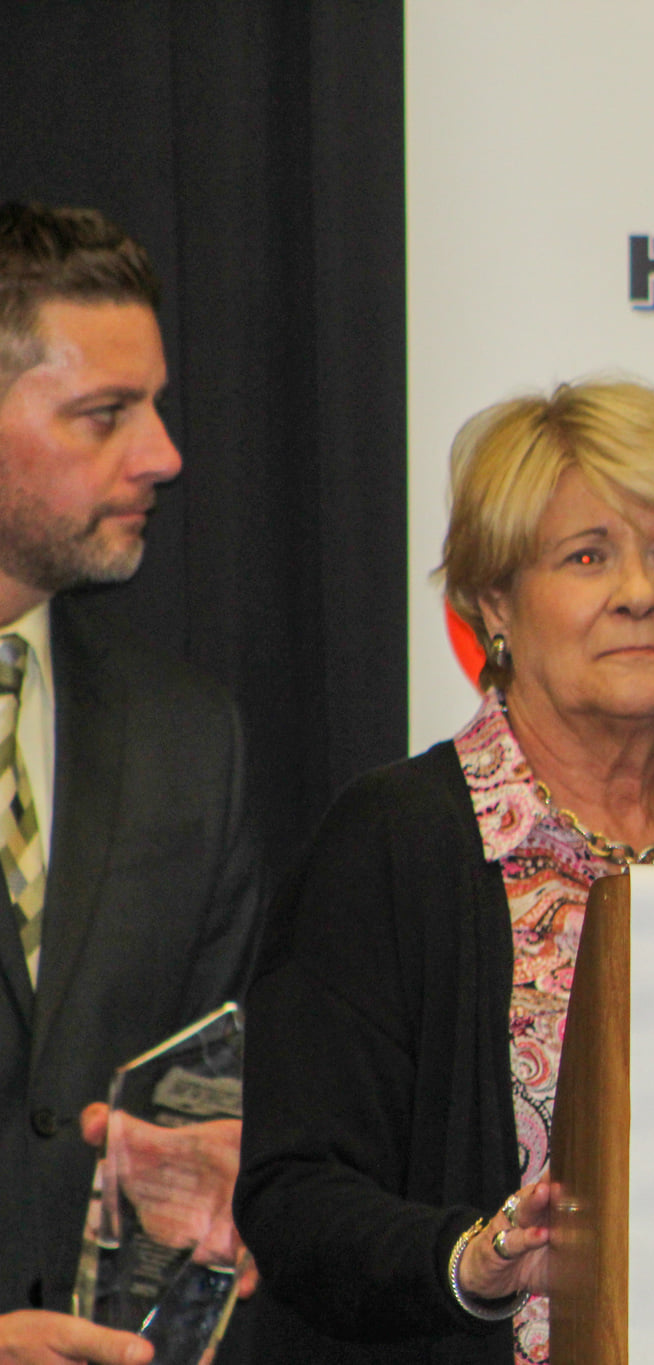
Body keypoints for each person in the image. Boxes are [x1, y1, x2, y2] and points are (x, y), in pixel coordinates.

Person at [235, 380, 654, 1363]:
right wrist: (469, 1261)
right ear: (493, 602)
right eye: (587, 557)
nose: (639, 591)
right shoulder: (396, 842)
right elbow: (295, 1196)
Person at [0, 204, 262, 1364]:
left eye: (151, 405)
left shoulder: (187, 739)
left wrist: (221, 1204)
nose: (163, 454)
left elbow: (203, 1086)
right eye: (104, 415)